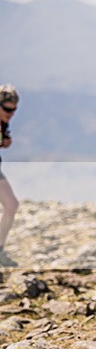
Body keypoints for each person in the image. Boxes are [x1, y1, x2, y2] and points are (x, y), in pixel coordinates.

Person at [0, 85, 19, 268]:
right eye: (7, 109)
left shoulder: (3, 122)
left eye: (14, 109)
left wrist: (6, 143)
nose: (11, 113)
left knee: (11, 205)